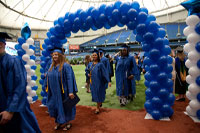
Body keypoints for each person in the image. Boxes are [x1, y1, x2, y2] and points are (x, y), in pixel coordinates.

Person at [0, 32, 41, 133]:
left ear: (1, 44)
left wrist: (10, 110)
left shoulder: (12, 61)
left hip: (13, 112)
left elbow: (19, 87)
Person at [43, 48, 78, 130]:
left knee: (66, 107)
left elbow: (70, 78)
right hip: (54, 92)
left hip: (64, 91)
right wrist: (46, 86)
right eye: (54, 54)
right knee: (54, 106)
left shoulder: (66, 66)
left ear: (60, 56)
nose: (55, 56)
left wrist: (71, 91)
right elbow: (47, 77)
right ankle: (58, 122)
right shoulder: (51, 66)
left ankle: (68, 123)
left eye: (56, 54)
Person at [86, 49, 110, 114]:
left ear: (98, 56)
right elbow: (87, 70)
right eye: (93, 55)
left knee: (99, 93)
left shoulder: (100, 64)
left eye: (95, 55)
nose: (94, 56)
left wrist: (108, 81)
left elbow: (105, 73)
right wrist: (88, 74)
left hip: (99, 82)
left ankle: (97, 108)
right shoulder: (90, 64)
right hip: (92, 82)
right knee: (95, 94)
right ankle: (99, 103)